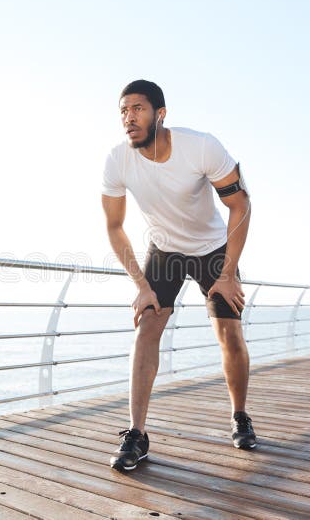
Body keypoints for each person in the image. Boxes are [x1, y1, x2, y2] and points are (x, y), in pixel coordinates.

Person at [101, 80, 255, 471]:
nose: (128, 118)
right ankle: (136, 432)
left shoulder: (201, 147)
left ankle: (239, 416)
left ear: (160, 114)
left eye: (137, 108)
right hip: (165, 250)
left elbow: (240, 205)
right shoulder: (118, 160)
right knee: (147, 326)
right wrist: (140, 286)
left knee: (229, 333)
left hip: (212, 250)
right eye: (123, 111)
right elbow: (115, 227)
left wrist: (228, 273)